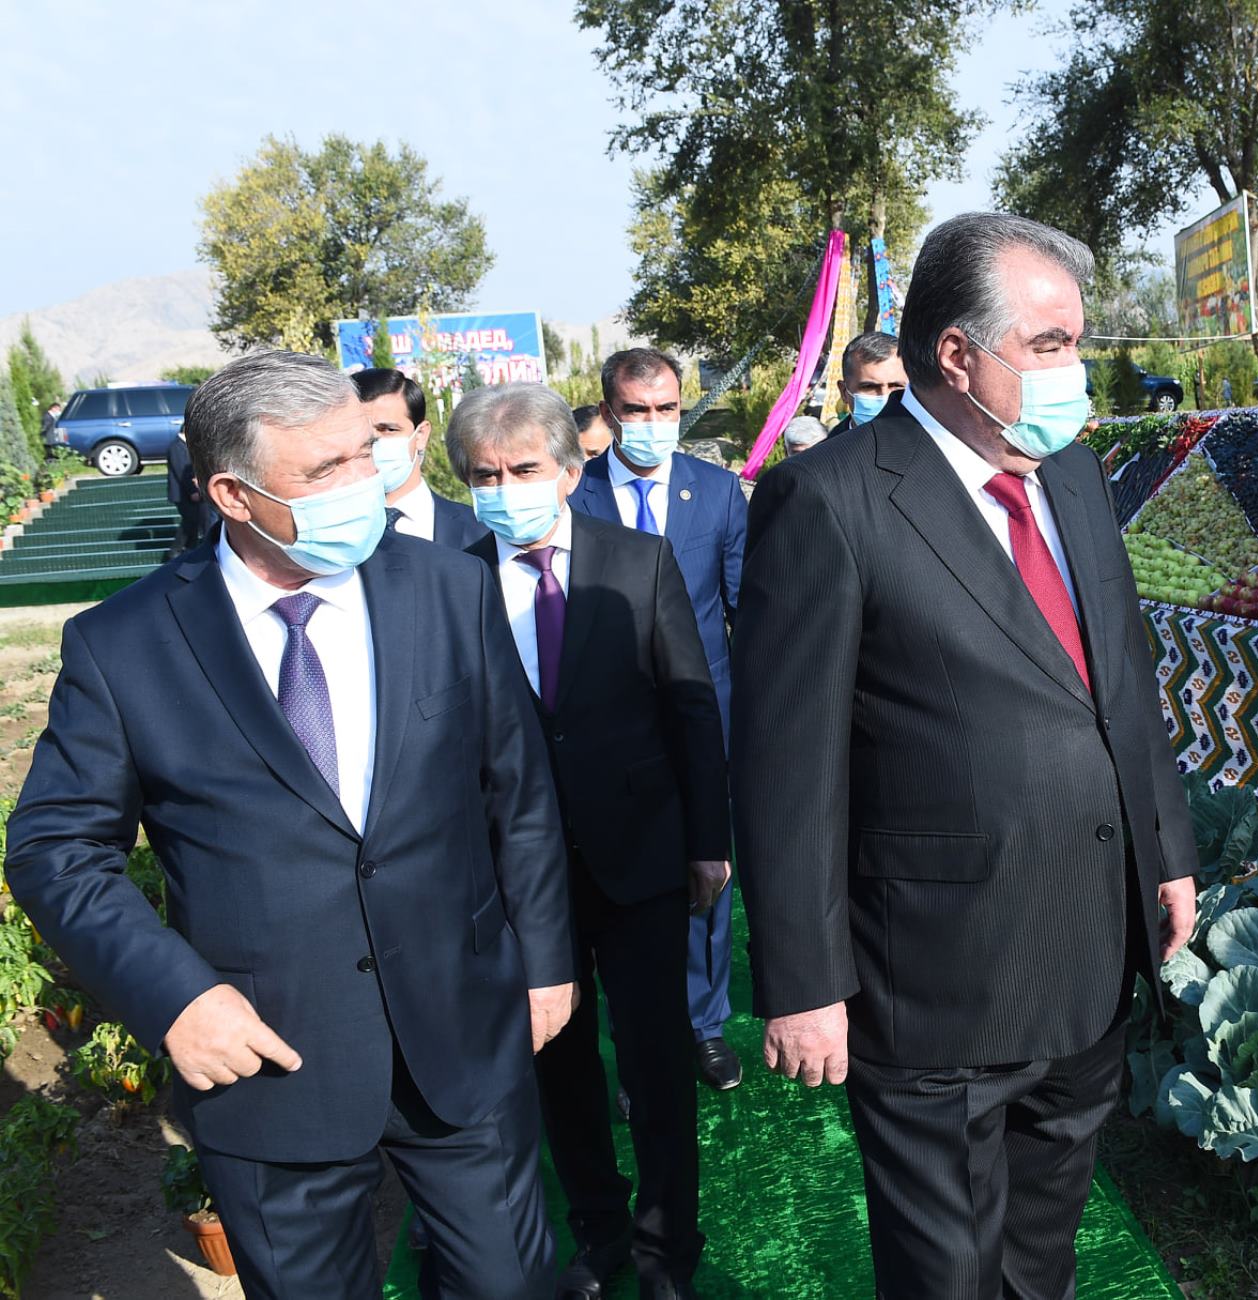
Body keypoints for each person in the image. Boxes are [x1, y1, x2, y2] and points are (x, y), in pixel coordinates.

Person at [3, 350, 576, 1299]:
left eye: (364, 452)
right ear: (232, 494)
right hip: (268, 1066)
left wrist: (546, 959)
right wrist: (177, 1000)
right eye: (324, 470)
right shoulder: (124, 644)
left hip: (462, 1029)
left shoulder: (446, 588)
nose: (363, 484)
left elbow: (516, 789)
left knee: (509, 1283)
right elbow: (56, 851)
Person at [730, 212, 1198, 1299]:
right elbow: (785, 764)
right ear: (956, 353)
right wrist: (804, 983)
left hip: (1087, 954)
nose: (1075, 370)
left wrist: (1165, 849)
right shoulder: (829, 498)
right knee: (945, 1275)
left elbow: (1122, 679)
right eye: (1049, 345)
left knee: (1043, 1255)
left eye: (1076, 342)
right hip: (934, 981)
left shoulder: (1071, 474)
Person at [450, 385, 729, 1300]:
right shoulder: (449, 579)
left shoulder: (638, 561)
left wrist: (708, 839)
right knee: (559, 1067)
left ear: (570, 471)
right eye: (485, 475)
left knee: (655, 1062)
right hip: (517, 877)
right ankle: (599, 1232)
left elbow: (690, 705)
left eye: (524, 469)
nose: (505, 490)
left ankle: (667, 1249)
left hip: (641, 856)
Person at [567, 347, 747, 1091]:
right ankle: (634, 1034)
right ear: (609, 412)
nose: (652, 422)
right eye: (636, 410)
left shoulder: (718, 492)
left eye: (666, 408)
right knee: (616, 881)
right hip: (610, 727)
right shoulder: (575, 494)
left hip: (704, 716)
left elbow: (742, 610)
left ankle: (703, 1025)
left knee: (708, 869)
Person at [349, 367, 490, 548]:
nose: (372, 442)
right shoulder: (331, 535)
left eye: (388, 430)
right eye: (359, 432)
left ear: (421, 434)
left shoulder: (481, 531)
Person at [828, 331, 907, 434]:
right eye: (869, 387)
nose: (885, 397)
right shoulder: (831, 444)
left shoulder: (926, 439)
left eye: (896, 386)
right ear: (844, 392)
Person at [164, 429, 206, 557]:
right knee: (190, 520)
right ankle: (176, 549)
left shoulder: (183, 446)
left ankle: (190, 549)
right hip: (182, 494)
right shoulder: (177, 447)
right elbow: (182, 471)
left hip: (186, 492)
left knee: (194, 521)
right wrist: (192, 490)